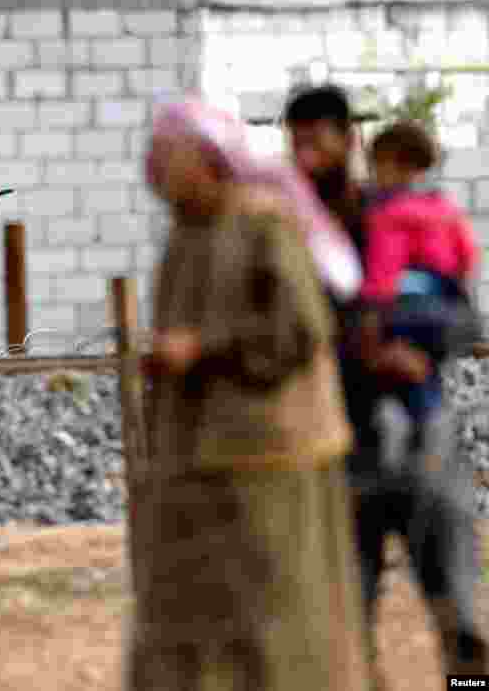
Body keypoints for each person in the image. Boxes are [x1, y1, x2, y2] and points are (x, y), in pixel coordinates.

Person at [124, 95, 369, 691]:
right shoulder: (186, 234)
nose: (151, 167)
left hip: (272, 456)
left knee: (274, 614)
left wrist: (202, 349)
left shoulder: (263, 223)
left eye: (164, 153)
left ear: (206, 158)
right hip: (199, 457)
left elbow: (300, 328)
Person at [284, 84, 487, 679]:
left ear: (350, 141)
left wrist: (417, 351)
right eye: (293, 145)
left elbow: (463, 311)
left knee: (460, 613)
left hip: (426, 443)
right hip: (338, 446)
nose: (304, 159)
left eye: (316, 144)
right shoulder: (293, 232)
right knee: (347, 622)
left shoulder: (403, 214)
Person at [356, 120, 481, 449]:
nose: (372, 175)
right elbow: (467, 258)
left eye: (375, 166)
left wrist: (372, 315)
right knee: (427, 366)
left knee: (400, 368)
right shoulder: (444, 208)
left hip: (407, 311)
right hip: (450, 312)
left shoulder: (389, 214)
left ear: (397, 164)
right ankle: (432, 426)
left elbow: (383, 271)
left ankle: (421, 428)